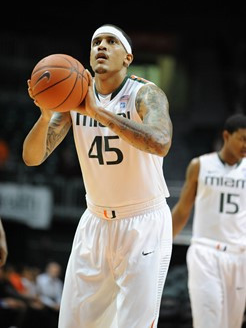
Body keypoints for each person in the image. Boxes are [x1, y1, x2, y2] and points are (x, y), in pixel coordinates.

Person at [22, 24, 173, 328]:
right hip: (95, 222)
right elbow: (32, 157)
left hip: (143, 221)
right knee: (74, 323)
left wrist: (98, 112)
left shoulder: (144, 93)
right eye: (96, 42)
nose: (101, 46)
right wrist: (43, 114)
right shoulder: (74, 96)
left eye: (111, 41)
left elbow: (161, 142)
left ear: (127, 57)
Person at [171, 113, 246, 328]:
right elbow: (182, 210)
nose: (245, 145)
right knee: (208, 322)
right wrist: (163, 243)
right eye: (242, 138)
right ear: (226, 135)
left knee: (232, 324)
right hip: (205, 252)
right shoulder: (200, 165)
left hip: (239, 255)